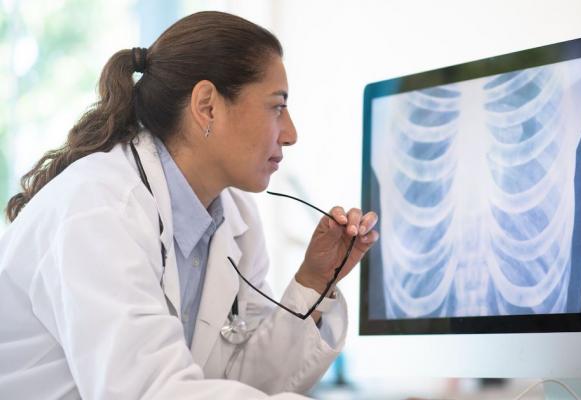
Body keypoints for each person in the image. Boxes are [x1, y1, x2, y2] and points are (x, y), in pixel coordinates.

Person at [0, 11, 378, 399]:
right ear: (207, 106)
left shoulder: (235, 219)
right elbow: (150, 391)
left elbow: (243, 385)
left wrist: (315, 280)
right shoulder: (100, 208)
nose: (291, 134)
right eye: (277, 106)